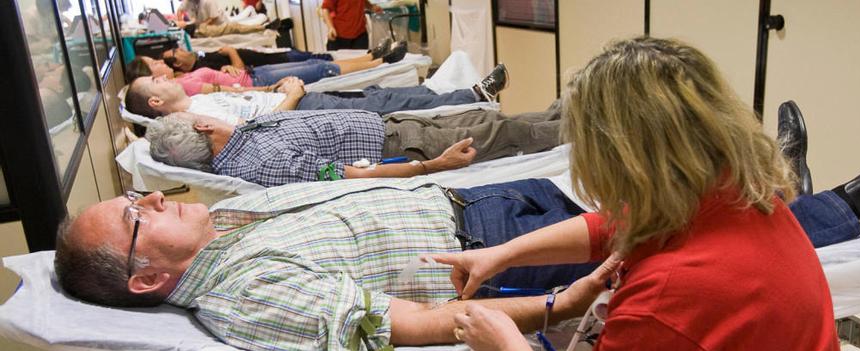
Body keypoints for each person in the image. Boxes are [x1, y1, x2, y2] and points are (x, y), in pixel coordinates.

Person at [432, 37, 860, 351]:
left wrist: (506, 344)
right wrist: (500, 254)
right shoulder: (746, 200)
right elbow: (619, 223)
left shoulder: (671, 297)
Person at [54, 147, 860, 351]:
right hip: (490, 260)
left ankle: (779, 191)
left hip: (482, 208)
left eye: (139, 193)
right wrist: (563, 307)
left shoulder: (223, 224)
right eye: (134, 212)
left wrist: (434, 171)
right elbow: (419, 322)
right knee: (688, 247)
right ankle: (840, 204)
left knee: (652, 214)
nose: (152, 196)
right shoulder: (243, 294)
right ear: (150, 278)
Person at [144, 102, 559, 184]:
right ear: (201, 128)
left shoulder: (242, 139)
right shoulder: (262, 162)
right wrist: (433, 166)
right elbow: (348, 175)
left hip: (394, 125)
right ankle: (586, 127)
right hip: (405, 146)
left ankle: (570, 113)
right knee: (507, 135)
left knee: (494, 120)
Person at [123, 64, 508, 123]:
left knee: (380, 95)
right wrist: (291, 94)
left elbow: (248, 100)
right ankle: (473, 96)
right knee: (385, 105)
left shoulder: (199, 101)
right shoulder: (196, 120)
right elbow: (257, 130)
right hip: (299, 113)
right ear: (156, 103)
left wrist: (276, 87)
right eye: (155, 82)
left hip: (294, 100)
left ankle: (466, 95)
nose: (163, 76)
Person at [126, 41, 406, 96]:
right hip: (256, 80)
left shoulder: (184, 78)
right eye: (155, 65)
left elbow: (220, 80)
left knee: (316, 64)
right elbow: (225, 90)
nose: (161, 63)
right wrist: (269, 90)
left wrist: (225, 64)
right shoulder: (183, 87)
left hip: (252, 73)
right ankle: (383, 61)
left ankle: (374, 58)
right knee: (321, 70)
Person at [160, 44, 338, 73]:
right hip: (269, 65)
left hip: (268, 58)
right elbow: (238, 70)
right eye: (177, 51)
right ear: (177, 63)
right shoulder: (202, 69)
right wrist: (231, 51)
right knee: (319, 63)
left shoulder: (200, 58)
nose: (181, 48)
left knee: (312, 57)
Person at [176, 0, 265, 37]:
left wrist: (203, 26)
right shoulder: (188, 2)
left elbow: (214, 17)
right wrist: (181, 21)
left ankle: (261, 17)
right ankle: (251, 10)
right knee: (238, 20)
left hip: (221, 22)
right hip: (207, 26)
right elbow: (179, 10)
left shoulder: (208, 1)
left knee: (237, 24)